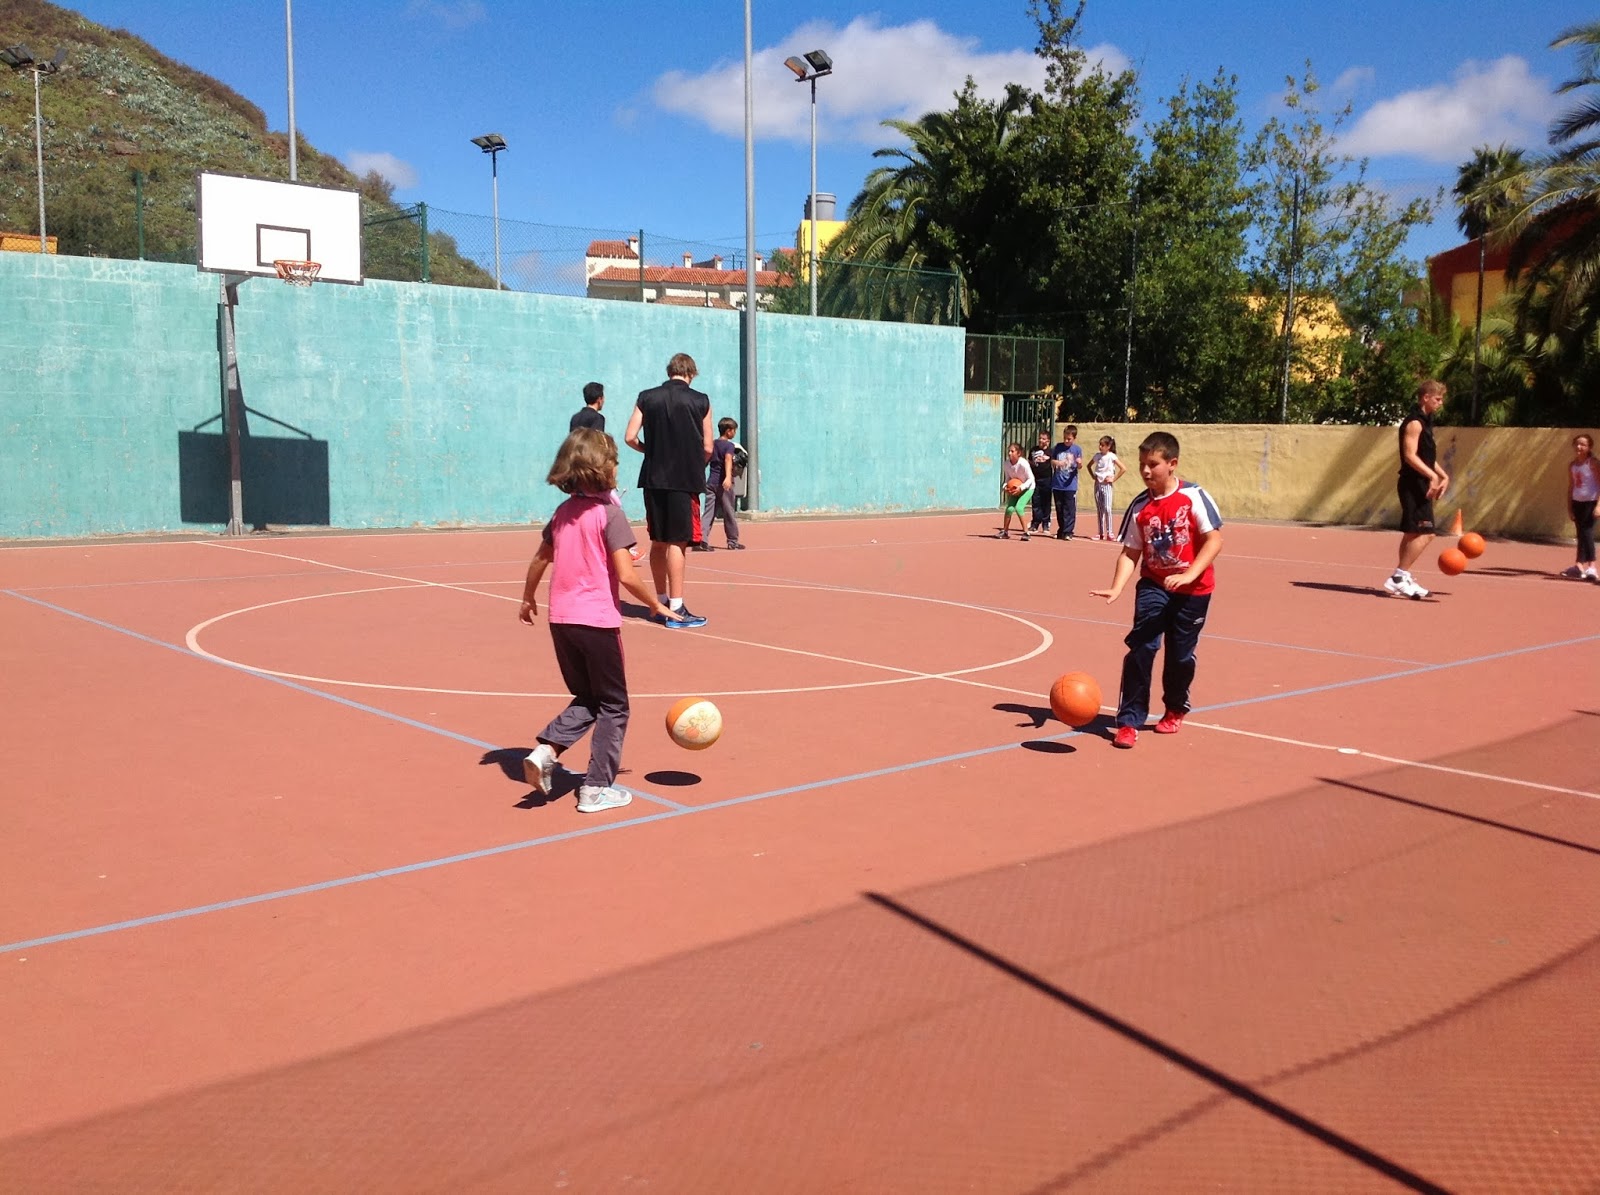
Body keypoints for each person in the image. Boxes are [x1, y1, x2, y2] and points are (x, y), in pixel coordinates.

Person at [518, 428, 683, 813]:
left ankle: (546, 751)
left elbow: (541, 559)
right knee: (614, 705)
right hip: (596, 622)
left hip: (562, 622)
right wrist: (656, 606)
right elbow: (626, 575)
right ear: (604, 469)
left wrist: (527, 598)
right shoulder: (610, 515)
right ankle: (595, 788)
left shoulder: (562, 513)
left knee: (590, 698)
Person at [1090, 431, 1224, 750]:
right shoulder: (1140, 506)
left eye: (1153, 464)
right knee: (1142, 647)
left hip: (1194, 590)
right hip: (1153, 585)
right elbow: (1130, 552)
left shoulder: (1194, 497)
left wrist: (1190, 573)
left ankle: (1175, 707)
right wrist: (1117, 587)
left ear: (1172, 464)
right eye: (1141, 465)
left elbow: (1214, 540)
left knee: (1180, 656)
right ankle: (1129, 721)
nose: (1146, 471)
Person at [625, 352, 713, 628]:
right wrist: (695, 463)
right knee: (678, 542)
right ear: (691, 373)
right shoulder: (701, 401)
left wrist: (648, 450)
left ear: (669, 371)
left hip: (653, 478)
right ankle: (677, 606)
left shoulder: (646, 397)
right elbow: (708, 446)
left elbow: (629, 436)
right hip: (683, 480)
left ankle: (661, 600)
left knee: (658, 541)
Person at [1384, 379, 1450, 600]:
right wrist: (1431, 475)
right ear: (1425, 398)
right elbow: (1410, 455)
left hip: (1420, 482)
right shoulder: (1414, 423)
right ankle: (1398, 577)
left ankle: (1403, 576)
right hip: (1413, 484)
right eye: (1438, 399)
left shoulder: (1426, 422)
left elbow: (1426, 457)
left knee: (1413, 533)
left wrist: (1442, 474)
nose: (1441, 403)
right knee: (1427, 534)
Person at [701, 416, 745, 550]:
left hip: (711, 482)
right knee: (729, 512)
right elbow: (727, 460)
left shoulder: (712, 444)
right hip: (724, 484)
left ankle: (702, 539)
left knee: (708, 512)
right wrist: (727, 477)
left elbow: (706, 459)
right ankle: (732, 541)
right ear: (728, 431)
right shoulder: (729, 446)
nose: (734, 433)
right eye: (734, 430)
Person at [1561, 432, 1600, 580]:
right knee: (1581, 534)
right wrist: (1570, 507)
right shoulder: (1572, 465)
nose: (1579, 447)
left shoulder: (1593, 463)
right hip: (1577, 503)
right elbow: (1571, 487)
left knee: (1587, 533)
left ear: (1589, 447)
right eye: (1577, 444)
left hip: (1591, 502)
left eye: (1583, 444)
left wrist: (1598, 506)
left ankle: (1592, 566)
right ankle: (1578, 565)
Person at [995, 442, 1036, 540]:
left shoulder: (1023, 464)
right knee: (1009, 509)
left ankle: (1026, 533)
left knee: (1019, 508)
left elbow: (1031, 479)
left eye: (1012, 451)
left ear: (1019, 453)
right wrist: (1005, 486)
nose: (1009, 453)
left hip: (1028, 488)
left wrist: (1021, 488)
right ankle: (1005, 531)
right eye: (1009, 451)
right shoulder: (1006, 464)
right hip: (1015, 488)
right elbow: (1007, 479)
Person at [1089, 435, 1126, 540]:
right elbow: (1089, 466)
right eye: (1099, 445)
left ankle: (1110, 532)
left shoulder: (1111, 456)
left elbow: (1123, 468)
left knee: (1108, 508)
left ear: (1108, 446)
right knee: (1100, 509)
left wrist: (1113, 479)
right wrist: (1093, 476)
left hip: (1107, 485)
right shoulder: (1097, 456)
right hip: (1098, 484)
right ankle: (1100, 533)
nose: (1100, 447)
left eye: (1102, 445)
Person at [1050, 424, 1083, 540]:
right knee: (1059, 509)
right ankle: (1061, 530)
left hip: (1070, 485)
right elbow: (1052, 460)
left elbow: (1080, 466)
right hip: (1058, 484)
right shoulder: (1058, 447)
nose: (1066, 441)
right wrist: (1057, 463)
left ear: (1074, 438)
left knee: (1069, 509)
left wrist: (1079, 463)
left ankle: (1068, 531)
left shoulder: (1077, 449)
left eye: (1069, 439)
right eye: (1065, 438)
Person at [1027, 430, 1054, 535]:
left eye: (1043, 439)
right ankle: (1035, 523)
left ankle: (1046, 523)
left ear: (1048, 440)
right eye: (1040, 438)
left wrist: (1048, 458)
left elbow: (1053, 463)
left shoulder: (1051, 452)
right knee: (1036, 502)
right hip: (1035, 479)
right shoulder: (1033, 450)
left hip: (1047, 479)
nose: (1041, 440)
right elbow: (1029, 461)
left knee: (1046, 502)